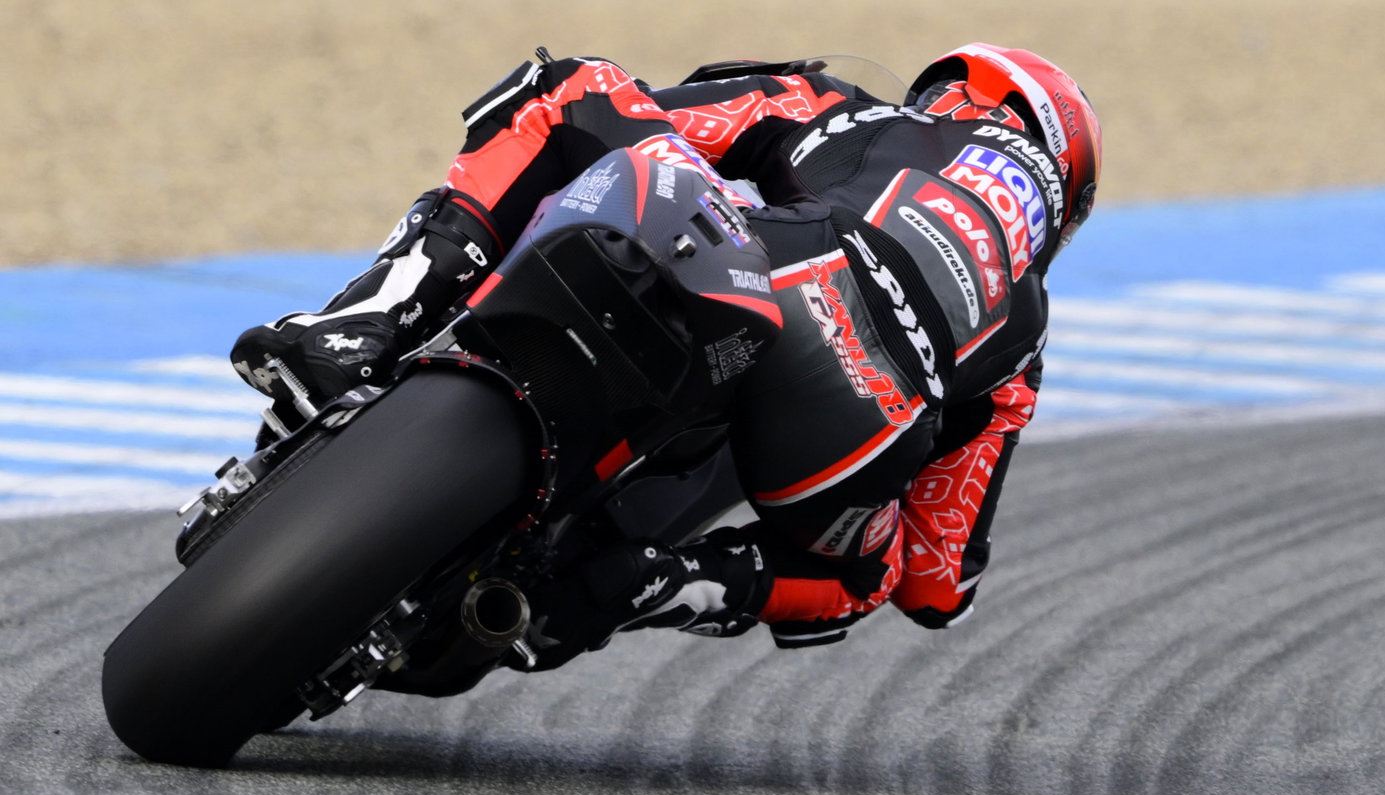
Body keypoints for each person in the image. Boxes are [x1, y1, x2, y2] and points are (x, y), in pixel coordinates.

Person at [230, 43, 1101, 669]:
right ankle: (656, 582)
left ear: (956, 92)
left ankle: (362, 327)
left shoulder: (853, 113)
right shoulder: (1022, 335)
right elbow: (937, 586)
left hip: (775, 269)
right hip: (866, 419)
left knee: (565, 91)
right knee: (863, 575)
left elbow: (661, 120)